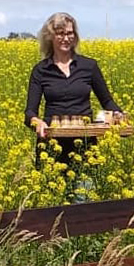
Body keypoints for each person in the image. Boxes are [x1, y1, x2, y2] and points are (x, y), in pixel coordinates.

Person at [24, 11, 124, 173]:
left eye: (70, 33)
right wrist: (38, 122)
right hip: (51, 147)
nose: (66, 38)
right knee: (53, 197)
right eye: (60, 34)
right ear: (50, 37)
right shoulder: (41, 70)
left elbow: (107, 102)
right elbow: (29, 112)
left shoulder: (89, 66)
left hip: (85, 146)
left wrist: (118, 113)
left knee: (84, 196)